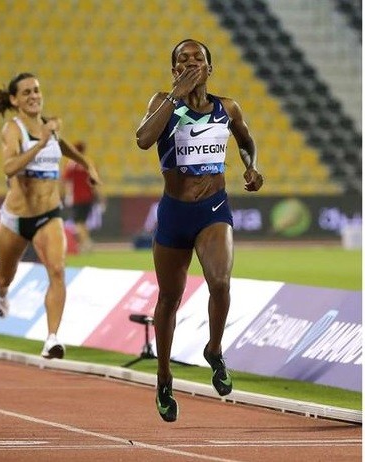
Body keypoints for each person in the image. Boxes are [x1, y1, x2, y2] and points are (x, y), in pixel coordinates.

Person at [136, 39, 264, 422]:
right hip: (175, 213)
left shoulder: (228, 108)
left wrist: (251, 167)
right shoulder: (163, 102)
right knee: (169, 298)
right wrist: (174, 96)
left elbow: (246, 141)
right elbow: (143, 139)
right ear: (174, 69)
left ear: (211, 68)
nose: (191, 62)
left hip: (213, 209)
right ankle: (163, 378)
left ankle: (214, 349)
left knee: (220, 282)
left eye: (198, 58)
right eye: (183, 59)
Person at [0, 72, 101, 359]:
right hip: (16, 218)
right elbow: (9, 168)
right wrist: (39, 144)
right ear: (14, 100)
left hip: (49, 214)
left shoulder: (51, 128)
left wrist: (88, 164)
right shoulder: (13, 130)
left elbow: (63, 147)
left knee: (58, 270)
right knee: (6, 275)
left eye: (36, 90)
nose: (34, 96)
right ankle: (1, 291)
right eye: (26, 92)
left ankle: (52, 339)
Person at [62, 141, 104, 252]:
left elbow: (67, 181)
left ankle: (86, 243)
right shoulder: (88, 163)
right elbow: (94, 182)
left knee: (78, 222)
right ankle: (85, 242)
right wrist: (100, 197)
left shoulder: (71, 164)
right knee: (83, 221)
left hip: (76, 197)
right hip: (88, 197)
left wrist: (67, 196)